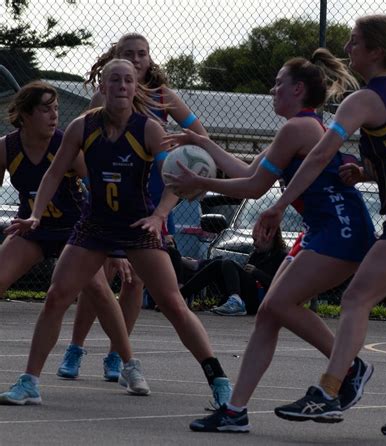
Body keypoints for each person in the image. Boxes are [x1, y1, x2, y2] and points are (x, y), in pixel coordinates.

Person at [254, 15, 386, 436]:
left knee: (356, 299)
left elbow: (321, 154)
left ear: (376, 52)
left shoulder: (363, 100)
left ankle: (328, 390)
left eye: (355, 41)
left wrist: (279, 205)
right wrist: (365, 175)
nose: (347, 48)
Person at [164, 49, 377, 432]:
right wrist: (203, 143)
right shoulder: (298, 127)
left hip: (341, 230)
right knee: (268, 313)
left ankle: (349, 367)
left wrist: (200, 182)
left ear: (297, 89)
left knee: (279, 303)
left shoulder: (299, 129)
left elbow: (253, 187)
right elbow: (247, 170)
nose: (272, 89)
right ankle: (235, 411)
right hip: (324, 230)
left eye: (279, 84)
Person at [0, 59, 232, 409]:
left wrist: (159, 215)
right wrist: (34, 215)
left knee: (172, 303)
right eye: (114, 80)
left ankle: (219, 381)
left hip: (138, 225)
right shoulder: (82, 127)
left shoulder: (149, 129)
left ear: (134, 88)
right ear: (103, 88)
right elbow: (53, 174)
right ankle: (30, 381)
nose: (122, 85)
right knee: (56, 296)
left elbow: (176, 177)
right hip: (93, 225)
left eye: (128, 80)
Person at [56, 32, 209, 381]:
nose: (137, 60)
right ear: (116, 57)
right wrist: (92, 180)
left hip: (152, 199)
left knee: (136, 281)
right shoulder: (102, 98)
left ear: (150, 59)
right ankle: (76, 346)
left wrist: (194, 154)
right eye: (129, 54)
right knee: (99, 277)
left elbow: (199, 134)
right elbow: (82, 147)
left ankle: (116, 354)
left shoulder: (163, 97)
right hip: (108, 196)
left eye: (142, 54)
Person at [0, 80, 150, 404]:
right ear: (24, 115)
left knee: (96, 288)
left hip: (75, 229)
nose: (54, 115)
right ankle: (30, 383)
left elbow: (98, 189)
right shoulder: (7, 147)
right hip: (33, 227)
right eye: (45, 109)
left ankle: (128, 363)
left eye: (56, 108)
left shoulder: (65, 145)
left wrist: (113, 245)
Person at [180, 228, 288, 316]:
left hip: (261, 299)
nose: (254, 244)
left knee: (228, 263)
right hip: (248, 294)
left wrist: (257, 272)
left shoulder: (281, 256)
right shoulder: (257, 254)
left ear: (269, 238)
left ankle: (236, 302)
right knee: (218, 263)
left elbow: (279, 286)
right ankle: (181, 295)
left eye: (256, 240)